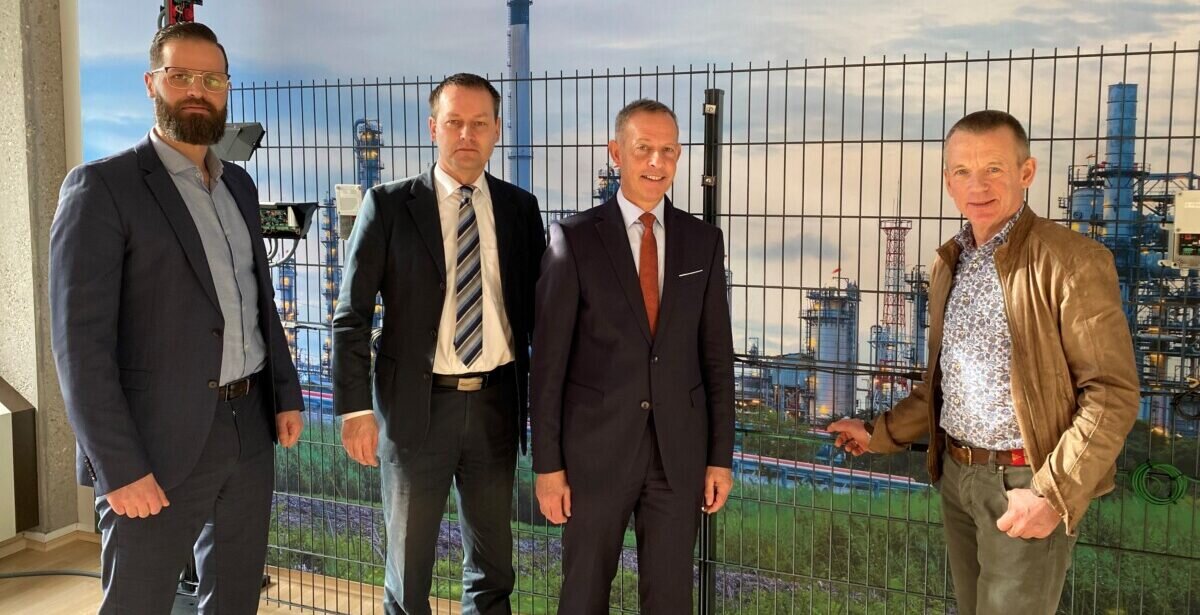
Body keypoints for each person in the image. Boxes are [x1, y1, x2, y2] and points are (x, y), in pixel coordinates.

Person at [828, 110, 1138, 614]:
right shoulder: (950, 262)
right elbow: (942, 385)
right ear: (947, 180)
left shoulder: (1070, 261)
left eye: (994, 168)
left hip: (1026, 482)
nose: (978, 185)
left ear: (1026, 172)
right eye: (963, 171)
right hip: (959, 476)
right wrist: (877, 433)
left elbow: (1111, 394)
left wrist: (1051, 493)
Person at [50, 22, 304, 614]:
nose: (197, 90)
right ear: (151, 84)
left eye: (211, 80)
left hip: (249, 428)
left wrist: (285, 394)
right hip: (154, 443)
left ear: (226, 89)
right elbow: (78, 348)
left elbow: (258, 303)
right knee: (138, 601)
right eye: (180, 75)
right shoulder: (101, 188)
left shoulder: (238, 186)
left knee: (235, 595)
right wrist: (118, 467)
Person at [333, 73, 545, 615]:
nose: (466, 134)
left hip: (496, 409)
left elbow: (539, 317)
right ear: (433, 128)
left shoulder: (520, 210)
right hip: (414, 413)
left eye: (479, 123)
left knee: (493, 571)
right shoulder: (388, 206)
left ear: (497, 130)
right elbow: (351, 316)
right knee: (408, 575)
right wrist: (355, 410)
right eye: (454, 122)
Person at [531, 98, 736, 614]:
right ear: (616, 152)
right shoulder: (573, 239)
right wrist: (548, 466)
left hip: (678, 456)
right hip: (593, 457)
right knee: (583, 596)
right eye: (643, 148)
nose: (656, 162)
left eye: (668, 151)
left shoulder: (704, 242)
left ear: (679, 156)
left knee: (670, 600)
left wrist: (719, 457)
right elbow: (548, 365)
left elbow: (716, 359)